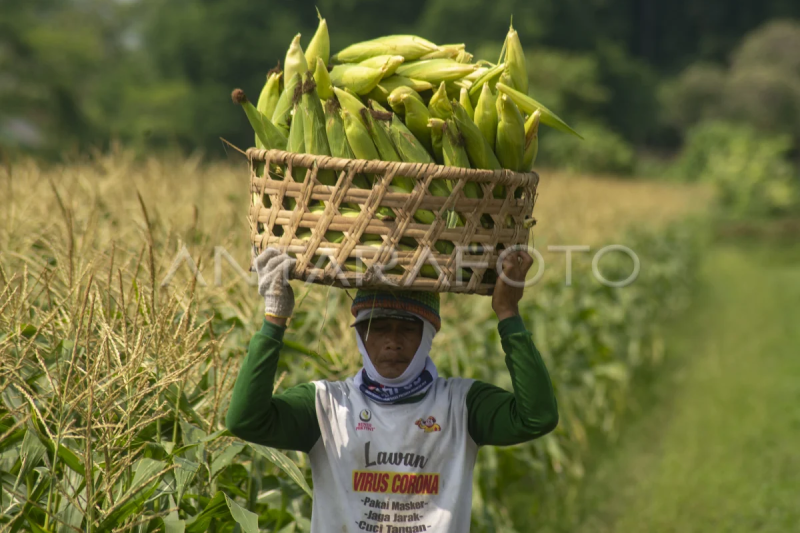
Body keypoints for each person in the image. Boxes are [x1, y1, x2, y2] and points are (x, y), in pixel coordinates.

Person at [226, 247, 559, 532]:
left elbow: (537, 417)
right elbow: (245, 421)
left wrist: (508, 313)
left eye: (408, 330)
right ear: (359, 335)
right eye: (378, 328)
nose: (392, 343)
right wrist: (274, 318)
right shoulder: (328, 407)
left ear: (429, 335)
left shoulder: (461, 406)